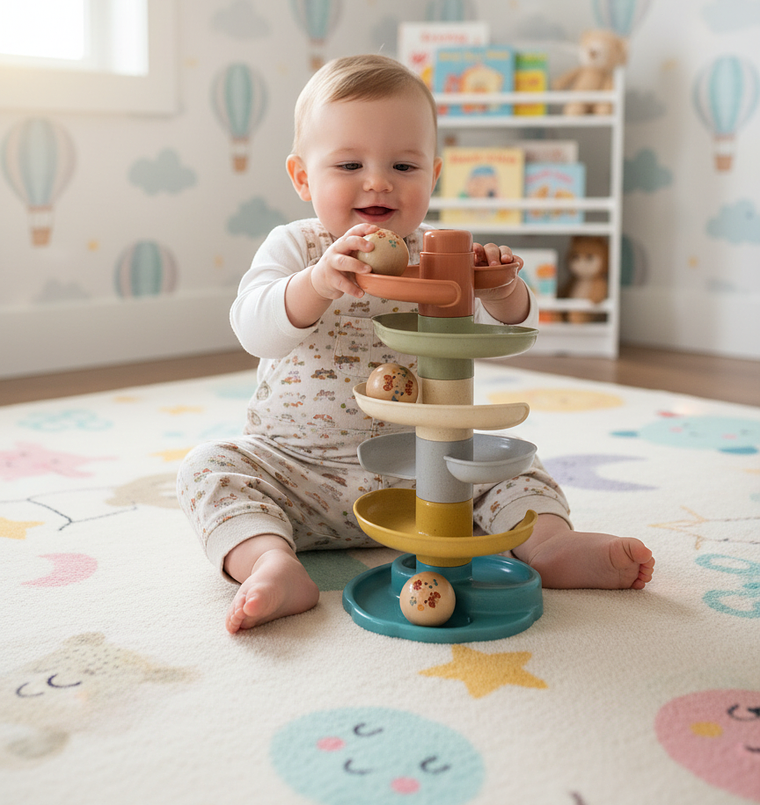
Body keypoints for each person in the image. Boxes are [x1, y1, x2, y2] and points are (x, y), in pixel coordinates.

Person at [177, 54, 655, 634]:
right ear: (303, 177)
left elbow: (513, 329)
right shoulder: (295, 247)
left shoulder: (439, 252)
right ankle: (272, 563)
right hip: (296, 470)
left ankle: (552, 545)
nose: (378, 181)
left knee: (510, 465)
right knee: (209, 467)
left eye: (403, 165)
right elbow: (253, 328)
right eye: (349, 163)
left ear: (433, 177)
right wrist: (315, 284)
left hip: (430, 472)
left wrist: (502, 287)